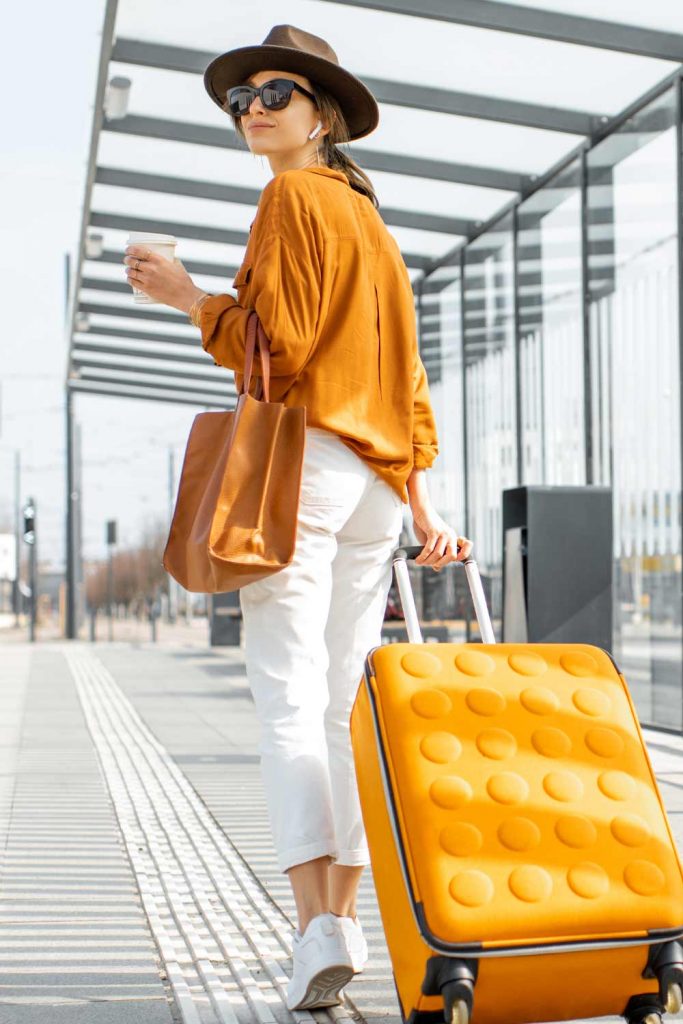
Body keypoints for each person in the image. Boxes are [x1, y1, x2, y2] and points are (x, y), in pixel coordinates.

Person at [123, 23, 473, 1013]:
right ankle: (344, 925)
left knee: (285, 698)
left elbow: (269, 350)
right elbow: (406, 382)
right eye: (242, 101)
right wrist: (419, 502)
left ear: (321, 116)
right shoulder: (375, 228)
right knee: (337, 705)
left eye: (274, 93)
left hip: (306, 465)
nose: (253, 111)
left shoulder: (290, 197)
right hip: (370, 485)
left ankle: (315, 927)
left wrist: (191, 296)